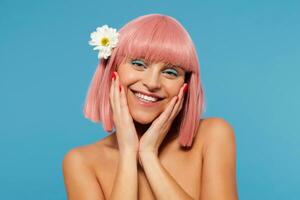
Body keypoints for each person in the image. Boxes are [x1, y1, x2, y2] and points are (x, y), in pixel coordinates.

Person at [62, 13, 238, 200]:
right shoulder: (81, 162)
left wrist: (148, 155)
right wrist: (128, 153)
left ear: (185, 84)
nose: (152, 82)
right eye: (138, 64)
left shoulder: (212, 135)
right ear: (113, 70)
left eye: (170, 72)